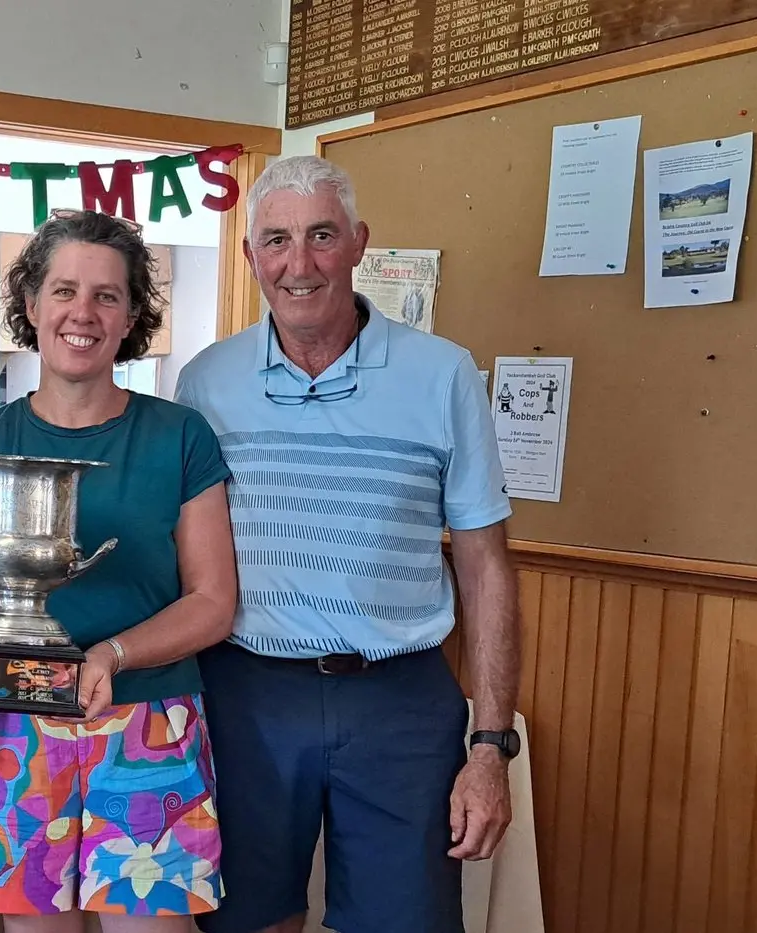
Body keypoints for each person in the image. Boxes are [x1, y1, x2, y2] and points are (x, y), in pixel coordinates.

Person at [174, 155, 521, 933]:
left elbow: (486, 565)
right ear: (251, 255)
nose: (300, 264)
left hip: (399, 698)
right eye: (278, 240)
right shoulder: (204, 383)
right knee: (244, 919)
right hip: (246, 692)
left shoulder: (443, 374)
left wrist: (492, 745)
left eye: (322, 235)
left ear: (359, 242)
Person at [0, 209, 237, 931]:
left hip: (151, 719)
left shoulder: (179, 434)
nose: (81, 313)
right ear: (30, 306)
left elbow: (214, 601)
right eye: (63, 291)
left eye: (107, 295)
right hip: (10, 721)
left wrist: (113, 654)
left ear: (131, 317)